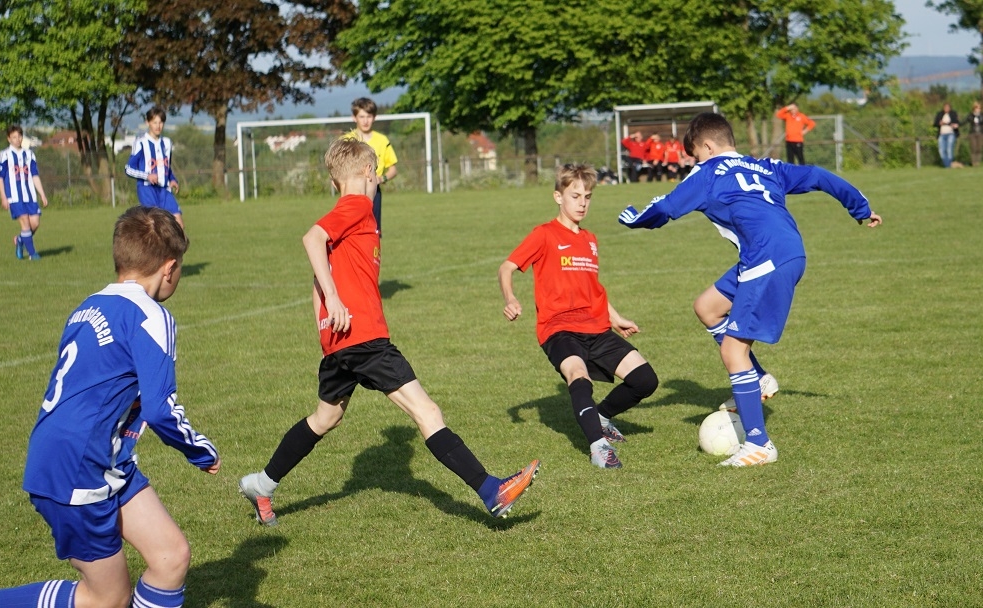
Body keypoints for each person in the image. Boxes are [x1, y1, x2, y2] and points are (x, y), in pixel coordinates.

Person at [238, 137, 538, 526]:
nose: (378, 180)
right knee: (426, 411)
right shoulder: (358, 205)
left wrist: (325, 327)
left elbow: (318, 272)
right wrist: (335, 299)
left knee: (325, 419)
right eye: (377, 173)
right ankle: (490, 489)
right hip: (364, 337)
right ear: (368, 172)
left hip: (339, 342)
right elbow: (311, 239)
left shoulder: (343, 214)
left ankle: (261, 484)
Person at [0, 206, 220, 608]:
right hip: (77, 468)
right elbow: (161, 410)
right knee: (107, 598)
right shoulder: (152, 317)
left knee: (171, 556)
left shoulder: (88, 306)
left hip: (98, 457)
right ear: (169, 269)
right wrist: (200, 450)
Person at [619, 112, 881, 467]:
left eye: (695, 155)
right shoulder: (765, 166)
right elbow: (817, 175)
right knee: (707, 306)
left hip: (766, 259)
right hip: (786, 251)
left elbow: (666, 206)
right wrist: (860, 207)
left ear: (707, 147)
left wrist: (635, 217)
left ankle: (758, 444)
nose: (695, 162)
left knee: (733, 351)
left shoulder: (708, 172)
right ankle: (757, 379)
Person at [498, 163, 659, 469]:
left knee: (645, 380)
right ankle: (598, 447)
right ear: (558, 197)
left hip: (597, 327)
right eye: (575, 196)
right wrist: (510, 298)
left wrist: (615, 318)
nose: (582, 203)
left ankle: (602, 416)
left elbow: (591, 286)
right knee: (578, 376)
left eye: (587, 196)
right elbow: (506, 268)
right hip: (559, 328)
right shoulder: (544, 234)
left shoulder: (590, 239)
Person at [343, 97, 398, 234]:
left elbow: (393, 169)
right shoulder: (346, 140)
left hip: (374, 192)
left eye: (369, 116)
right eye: (362, 116)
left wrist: (381, 178)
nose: (365, 121)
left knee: (373, 232)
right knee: (352, 232)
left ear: (374, 117)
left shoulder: (382, 140)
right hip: (352, 192)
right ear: (354, 118)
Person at [0, 124, 50, 261]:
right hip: (14, 197)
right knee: (25, 222)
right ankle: (33, 254)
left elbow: (35, 175)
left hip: (30, 195)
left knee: (35, 223)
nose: (17, 139)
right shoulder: (4, 155)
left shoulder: (29, 154)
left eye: (19, 136)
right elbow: (0, 177)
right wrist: (3, 196)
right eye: (14, 137)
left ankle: (20, 240)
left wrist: (42, 194)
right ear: (9, 139)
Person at [126, 107, 184, 228]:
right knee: (155, 227)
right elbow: (128, 169)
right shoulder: (141, 143)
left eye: (161, 122)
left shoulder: (167, 143)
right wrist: (147, 176)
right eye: (154, 122)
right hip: (147, 190)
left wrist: (172, 179)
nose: (158, 126)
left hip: (164, 190)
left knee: (179, 225)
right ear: (148, 123)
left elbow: (167, 167)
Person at [933, 103, 959, 168]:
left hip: (950, 134)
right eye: (945, 107)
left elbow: (957, 123)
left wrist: (952, 124)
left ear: (950, 108)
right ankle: (947, 165)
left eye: (947, 107)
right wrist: (939, 123)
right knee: (941, 150)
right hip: (942, 134)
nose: (946, 108)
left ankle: (949, 165)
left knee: (949, 149)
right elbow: (935, 123)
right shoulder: (940, 114)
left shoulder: (953, 114)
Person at [966, 102, 982, 167]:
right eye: (977, 108)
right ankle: (973, 162)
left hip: (980, 133)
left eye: (979, 108)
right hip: (972, 133)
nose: (978, 109)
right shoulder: (970, 115)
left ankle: (977, 161)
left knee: (979, 148)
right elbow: (965, 121)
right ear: (974, 108)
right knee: (973, 148)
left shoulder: (981, 115)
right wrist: (957, 124)